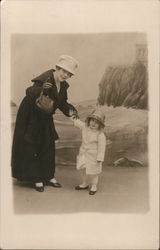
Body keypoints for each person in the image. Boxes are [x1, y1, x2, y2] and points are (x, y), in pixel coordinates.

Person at [12, 55, 78, 192]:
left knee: (48, 144)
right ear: (58, 68)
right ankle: (36, 178)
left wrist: (71, 111)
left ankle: (48, 176)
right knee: (33, 146)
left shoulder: (63, 85)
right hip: (31, 115)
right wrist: (42, 89)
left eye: (69, 73)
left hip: (45, 115)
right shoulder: (46, 78)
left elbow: (62, 102)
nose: (66, 75)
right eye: (64, 71)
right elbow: (29, 92)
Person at [71, 109, 106, 195]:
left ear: (100, 125)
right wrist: (72, 116)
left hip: (93, 156)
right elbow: (78, 122)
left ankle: (94, 185)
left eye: (97, 122)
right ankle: (84, 183)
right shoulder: (85, 127)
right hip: (83, 154)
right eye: (92, 120)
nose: (94, 123)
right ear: (89, 121)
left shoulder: (100, 135)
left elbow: (102, 148)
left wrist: (100, 158)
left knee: (94, 172)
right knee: (83, 170)